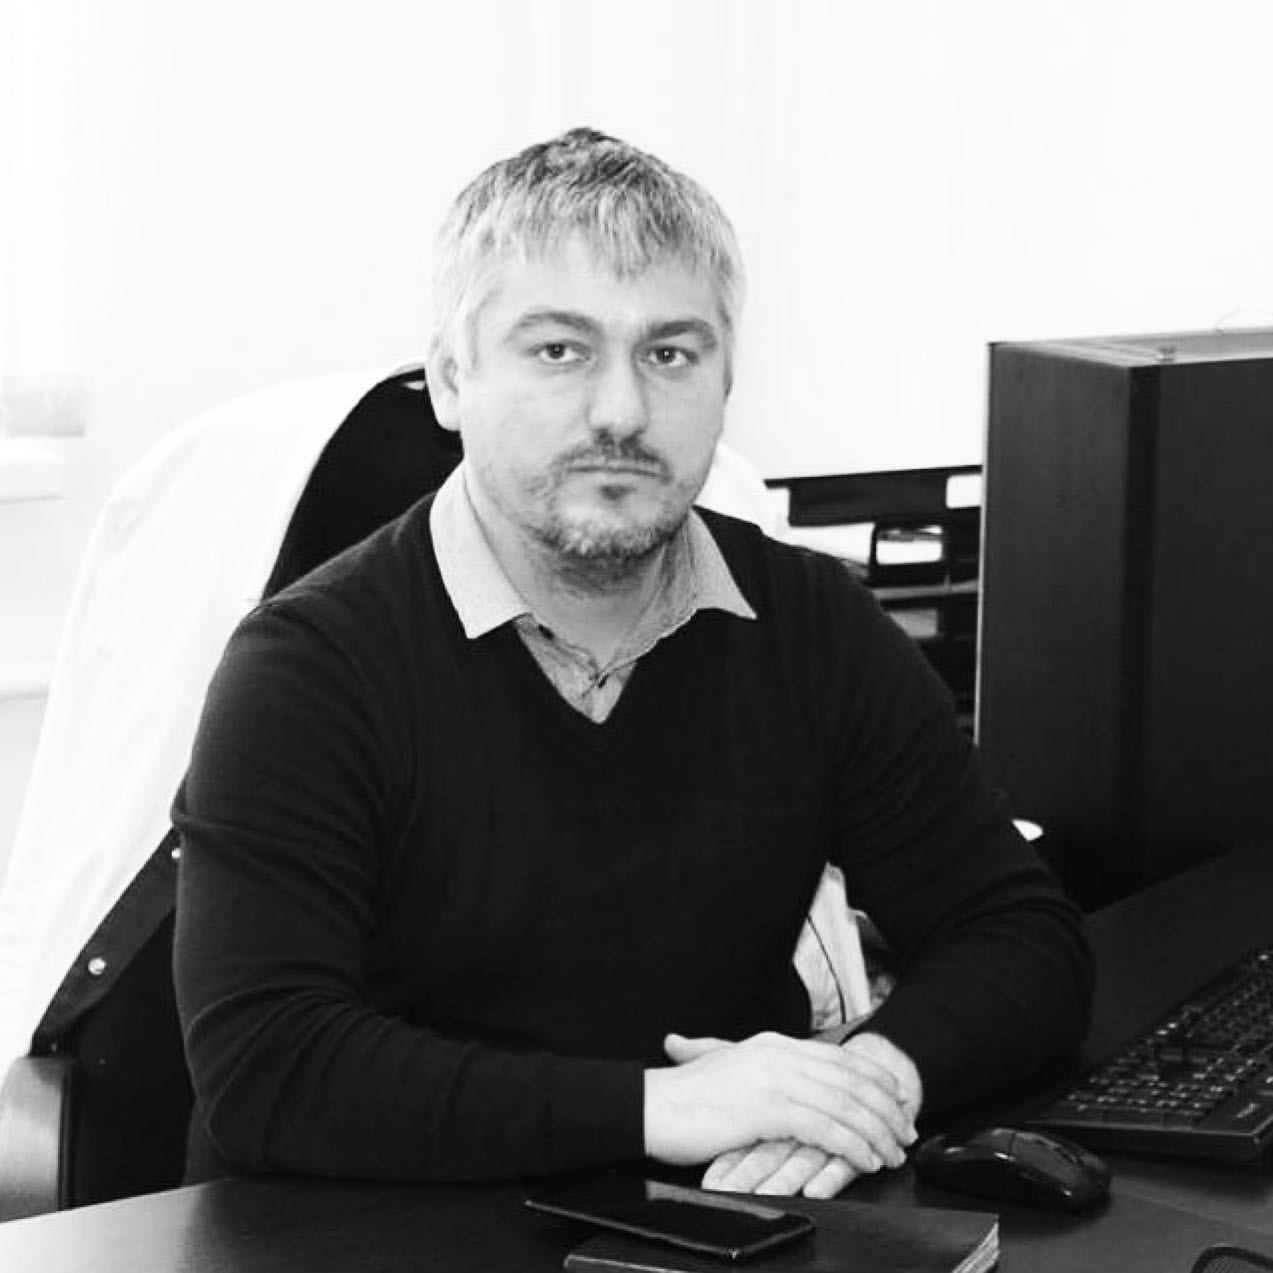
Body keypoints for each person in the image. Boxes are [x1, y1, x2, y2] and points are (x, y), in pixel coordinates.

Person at [172, 126, 1092, 1200]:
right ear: (451, 380)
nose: (621, 412)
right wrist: (667, 1108)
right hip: (377, 1230)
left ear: (725, 379)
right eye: (559, 351)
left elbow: (1020, 934)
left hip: (719, 1218)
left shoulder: (812, 626)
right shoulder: (308, 670)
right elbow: (270, 1067)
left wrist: (862, 1083)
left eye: (670, 354)